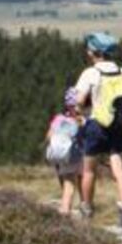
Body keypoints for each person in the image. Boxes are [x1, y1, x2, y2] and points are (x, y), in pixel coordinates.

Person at [70, 33, 122, 227]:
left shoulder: (90, 73)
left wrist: (79, 113)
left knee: (89, 170)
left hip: (96, 124)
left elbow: (78, 101)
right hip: (119, 125)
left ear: (95, 52)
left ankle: (86, 209)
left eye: (89, 49)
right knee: (119, 168)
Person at [49, 86, 92, 220]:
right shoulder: (82, 120)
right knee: (73, 183)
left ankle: (76, 206)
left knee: (67, 181)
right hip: (75, 155)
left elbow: (49, 136)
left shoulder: (59, 118)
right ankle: (66, 210)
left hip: (58, 155)